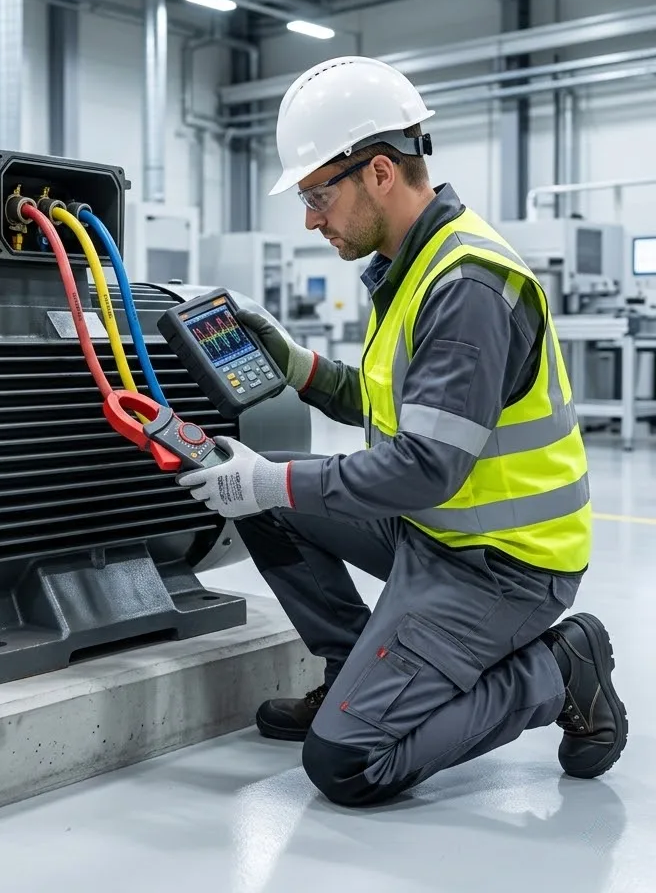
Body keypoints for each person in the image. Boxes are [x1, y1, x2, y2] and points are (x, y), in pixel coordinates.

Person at [176, 55, 628, 807]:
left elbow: (424, 466)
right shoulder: (410, 265)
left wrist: (265, 477)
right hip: (435, 534)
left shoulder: (465, 284)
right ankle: (355, 668)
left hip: (505, 566)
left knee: (346, 765)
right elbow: (391, 409)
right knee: (266, 497)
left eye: (319, 194)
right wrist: (297, 367)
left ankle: (561, 667)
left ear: (379, 172)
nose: (311, 218)